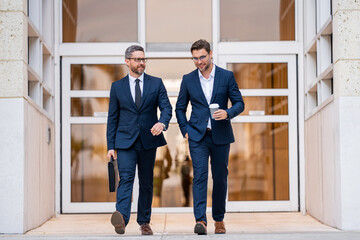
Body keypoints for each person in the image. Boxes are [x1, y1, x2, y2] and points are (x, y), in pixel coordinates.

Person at [175, 39, 244, 235]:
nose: (199, 61)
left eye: (202, 57)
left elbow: (239, 103)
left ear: (210, 54)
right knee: (199, 177)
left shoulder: (226, 76)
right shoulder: (188, 79)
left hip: (221, 135)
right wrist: (185, 130)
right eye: (195, 58)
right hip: (197, 136)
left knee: (220, 178)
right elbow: (180, 108)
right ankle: (200, 221)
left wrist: (228, 113)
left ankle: (219, 219)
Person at [107, 45, 172, 235]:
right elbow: (112, 118)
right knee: (126, 178)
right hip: (125, 141)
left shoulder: (156, 83)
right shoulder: (117, 87)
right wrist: (110, 146)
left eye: (143, 59)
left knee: (146, 182)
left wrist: (162, 122)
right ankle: (122, 219)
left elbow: (166, 108)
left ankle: (144, 222)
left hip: (148, 140)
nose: (141, 63)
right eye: (137, 59)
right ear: (127, 61)